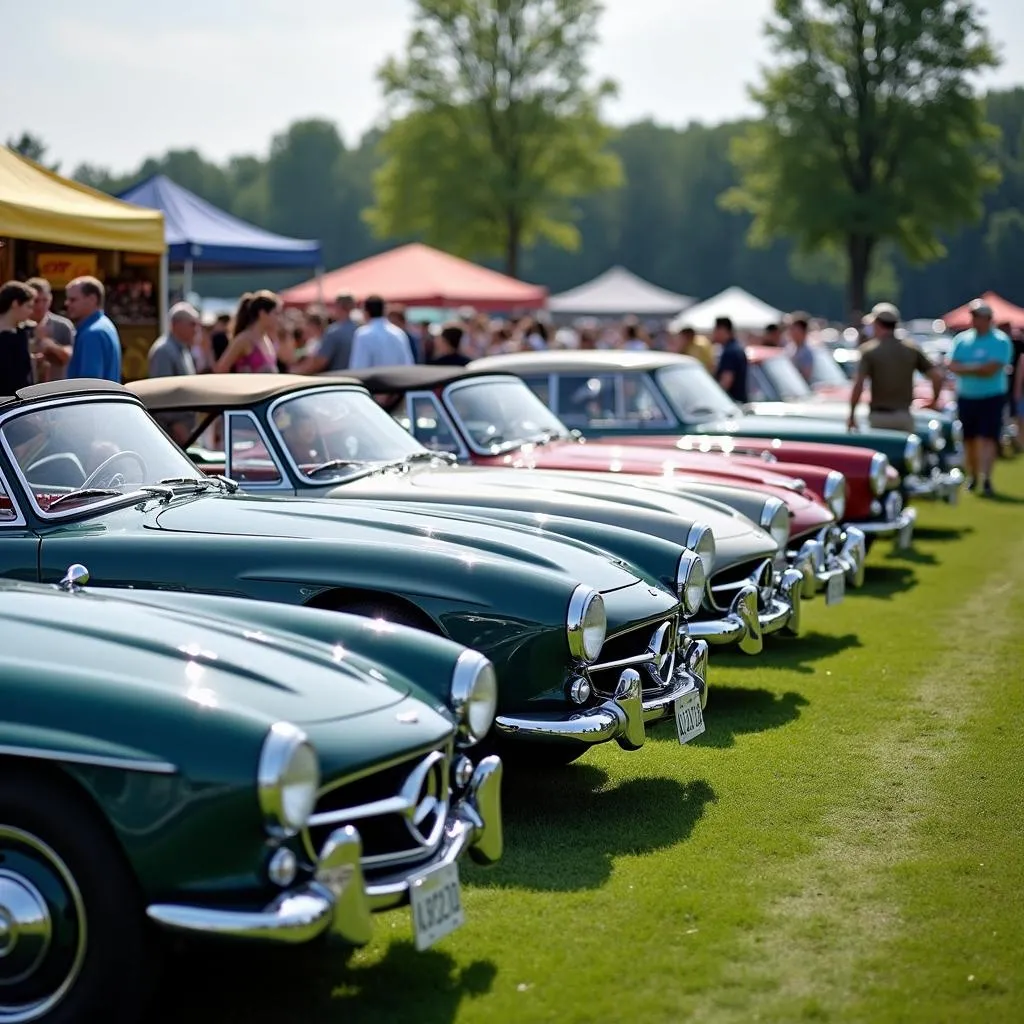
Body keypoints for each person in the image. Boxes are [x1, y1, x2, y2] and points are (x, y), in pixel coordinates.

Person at [948, 300, 1013, 495]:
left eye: (978, 316)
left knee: (988, 438)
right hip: (967, 396)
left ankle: (986, 478)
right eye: (973, 316)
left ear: (988, 319)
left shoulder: (1000, 340)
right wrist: (978, 368)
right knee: (969, 438)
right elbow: (952, 365)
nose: (975, 320)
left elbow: (991, 369)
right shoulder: (962, 340)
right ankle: (973, 476)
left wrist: (966, 368)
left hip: (991, 396)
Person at [848, 302, 944, 433]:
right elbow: (937, 376)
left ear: (877, 323)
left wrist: (852, 415)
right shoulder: (911, 349)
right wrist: (934, 401)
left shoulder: (869, 351)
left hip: (879, 417)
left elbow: (858, 385)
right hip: (905, 416)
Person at [63, 276, 122, 382]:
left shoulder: (93, 333)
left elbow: (89, 386)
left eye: (73, 300)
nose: (67, 303)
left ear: (92, 299)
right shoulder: (104, 325)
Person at [214, 291, 281, 374]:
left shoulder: (266, 338)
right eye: (276, 314)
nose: (278, 319)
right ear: (262, 313)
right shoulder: (244, 339)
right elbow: (221, 368)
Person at [293, 294, 358, 374]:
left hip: (337, 380)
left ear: (338, 306)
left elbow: (319, 362)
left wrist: (295, 372)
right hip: (355, 379)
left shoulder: (334, 332)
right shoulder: (359, 329)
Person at [26, 277, 74, 382]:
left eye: (45, 300)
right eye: (36, 301)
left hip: (55, 391)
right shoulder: (18, 326)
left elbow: (68, 357)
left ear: (50, 299)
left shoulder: (63, 326)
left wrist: (49, 344)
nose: (41, 305)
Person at [348, 295, 414, 370]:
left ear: (366, 312)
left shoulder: (363, 334)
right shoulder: (399, 333)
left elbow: (358, 367)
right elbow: (408, 364)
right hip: (397, 380)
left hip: (372, 381)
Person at [0, 281, 36, 395]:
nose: (31, 311)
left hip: (20, 404)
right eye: (28, 306)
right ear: (15, 303)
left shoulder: (23, 334)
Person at [714, 316, 748, 402]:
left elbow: (726, 381)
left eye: (716, 330)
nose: (714, 333)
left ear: (722, 330)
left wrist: (714, 398)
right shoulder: (737, 348)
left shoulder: (730, 352)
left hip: (732, 402)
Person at [785, 312, 815, 382]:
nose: (791, 332)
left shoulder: (807, 352)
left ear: (802, 331)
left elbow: (806, 376)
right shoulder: (790, 348)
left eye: (794, 329)